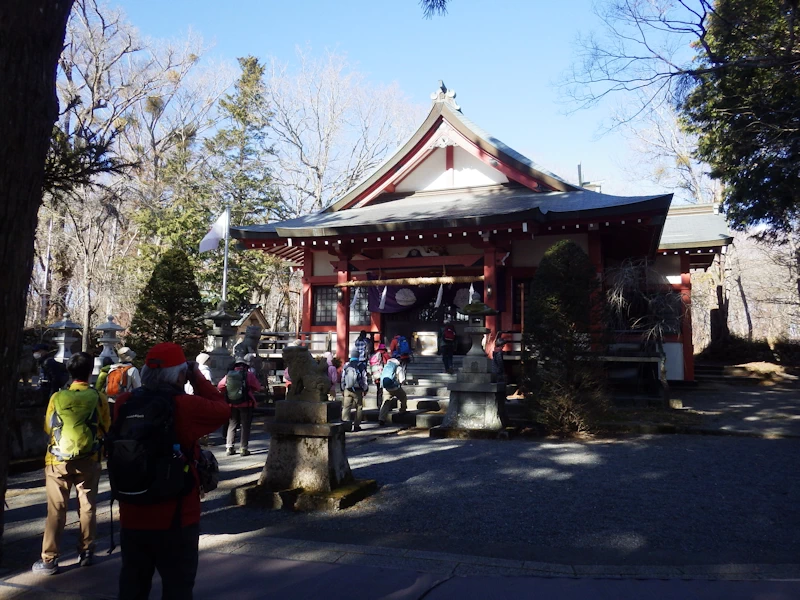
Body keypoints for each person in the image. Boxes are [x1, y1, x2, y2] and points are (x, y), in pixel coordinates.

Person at [113, 342, 230, 600]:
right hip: (177, 515)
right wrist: (196, 375)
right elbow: (222, 408)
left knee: (132, 583)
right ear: (180, 374)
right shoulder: (185, 406)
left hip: (132, 510)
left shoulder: (124, 402)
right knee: (178, 587)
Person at [32, 352, 111, 575]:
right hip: (89, 459)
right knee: (87, 506)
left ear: (70, 372)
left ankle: (49, 559)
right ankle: (86, 551)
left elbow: (48, 427)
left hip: (57, 460)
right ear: (90, 372)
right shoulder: (98, 397)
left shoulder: (57, 397)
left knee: (56, 509)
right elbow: (106, 426)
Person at [218, 354, 262, 457]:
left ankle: (229, 447)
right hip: (246, 403)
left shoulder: (229, 374)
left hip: (232, 403)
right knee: (245, 426)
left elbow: (220, 386)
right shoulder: (248, 374)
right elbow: (257, 387)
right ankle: (243, 448)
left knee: (232, 424)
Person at [340, 353, 368, 431]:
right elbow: (364, 378)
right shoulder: (361, 365)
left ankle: (345, 425)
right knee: (359, 407)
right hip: (358, 390)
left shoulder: (346, 365)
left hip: (347, 389)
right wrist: (365, 389)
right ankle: (356, 425)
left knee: (346, 407)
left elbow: (343, 378)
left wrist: (342, 388)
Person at [378, 357, 407, 427]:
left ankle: (381, 418)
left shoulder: (386, 366)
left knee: (385, 403)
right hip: (395, 388)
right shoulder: (398, 368)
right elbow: (402, 379)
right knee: (403, 397)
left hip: (386, 388)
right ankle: (402, 410)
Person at [492, 336, 509, 427]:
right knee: (502, 384)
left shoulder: (495, 351)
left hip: (495, 371)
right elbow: (500, 363)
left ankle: (502, 396)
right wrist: (503, 371)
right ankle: (503, 396)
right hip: (499, 371)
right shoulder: (499, 353)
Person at [368, 343, 390, 407]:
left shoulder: (375, 355)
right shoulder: (386, 355)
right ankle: (385, 405)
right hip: (385, 375)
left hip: (377, 375)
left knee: (379, 391)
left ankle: (379, 404)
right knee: (386, 391)